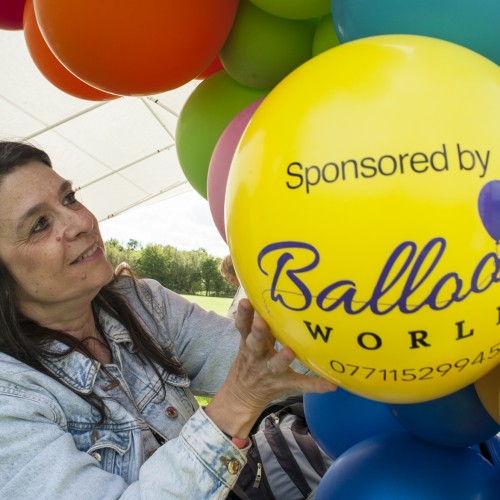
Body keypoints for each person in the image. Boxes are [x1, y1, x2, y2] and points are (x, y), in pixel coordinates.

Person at [0, 141, 336, 499]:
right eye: (39, 225)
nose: (81, 221)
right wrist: (239, 399)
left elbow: (272, 361)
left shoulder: (141, 303)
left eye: (69, 198)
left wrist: (356, 326)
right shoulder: (11, 400)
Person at [219, 254, 247, 319]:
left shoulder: (245, 293)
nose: (229, 281)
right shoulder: (242, 290)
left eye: (228, 276)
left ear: (235, 271)